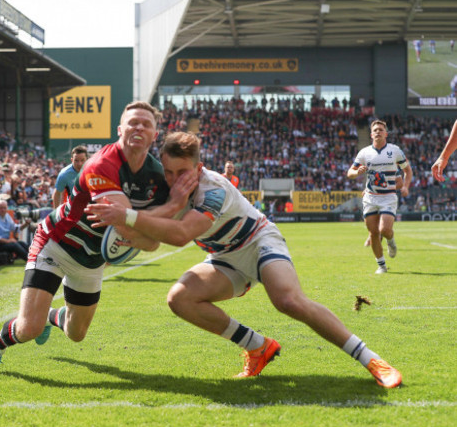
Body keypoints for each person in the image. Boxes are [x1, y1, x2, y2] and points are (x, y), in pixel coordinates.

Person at [86, 131, 402, 388]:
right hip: (225, 256)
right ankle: (257, 346)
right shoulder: (164, 187)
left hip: (258, 240)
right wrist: (125, 239)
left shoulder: (213, 190)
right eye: (168, 171)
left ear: (198, 168)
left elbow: (181, 234)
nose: (173, 179)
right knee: (179, 299)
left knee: (288, 300)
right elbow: (155, 239)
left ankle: (372, 359)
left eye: (182, 172)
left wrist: (128, 217)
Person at [0, 101, 190, 377]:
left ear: (155, 135)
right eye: (133, 122)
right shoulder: (102, 163)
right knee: (29, 327)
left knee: (76, 334)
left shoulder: (157, 176)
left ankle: (53, 316)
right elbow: (125, 224)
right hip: (56, 243)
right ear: (120, 129)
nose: (139, 127)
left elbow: (152, 242)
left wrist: (152, 228)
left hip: (91, 259)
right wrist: (166, 214)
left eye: (146, 124)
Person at [347, 120, 412, 274]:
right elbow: (350, 173)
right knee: (373, 233)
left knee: (385, 229)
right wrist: (357, 172)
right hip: (370, 197)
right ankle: (381, 265)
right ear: (371, 134)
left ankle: (391, 240)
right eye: (375, 130)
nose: (378, 132)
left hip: (388, 197)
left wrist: (405, 186)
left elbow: (407, 170)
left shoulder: (394, 150)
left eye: (381, 129)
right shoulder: (364, 153)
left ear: (386, 134)